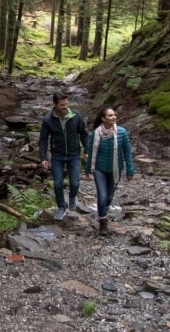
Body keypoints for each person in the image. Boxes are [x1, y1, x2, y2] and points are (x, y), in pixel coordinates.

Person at [37, 92, 89, 221]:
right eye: (62, 105)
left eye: (66, 103)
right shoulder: (48, 119)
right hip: (57, 156)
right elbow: (43, 139)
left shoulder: (76, 115)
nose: (65, 107)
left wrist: (87, 150)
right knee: (58, 183)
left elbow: (84, 134)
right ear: (55, 104)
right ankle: (61, 207)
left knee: (75, 183)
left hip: (74, 155)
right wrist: (43, 158)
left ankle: (72, 198)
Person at [85, 106, 134, 235]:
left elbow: (127, 152)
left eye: (114, 115)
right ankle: (103, 223)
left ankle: (103, 211)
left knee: (109, 196)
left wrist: (130, 170)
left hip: (115, 170)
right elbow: (91, 153)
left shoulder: (122, 132)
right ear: (103, 118)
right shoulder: (96, 133)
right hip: (99, 169)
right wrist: (87, 169)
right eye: (110, 115)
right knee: (102, 196)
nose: (114, 117)